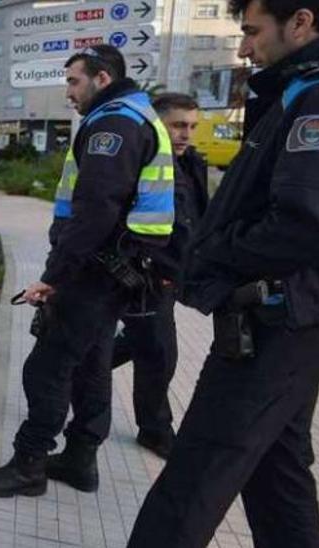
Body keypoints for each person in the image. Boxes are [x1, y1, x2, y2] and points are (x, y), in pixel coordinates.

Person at [127, 0, 319, 544]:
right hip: (299, 309)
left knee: (197, 471)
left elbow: (308, 224)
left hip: (283, 315)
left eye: (253, 32)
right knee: (277, 470)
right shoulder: (318, 86)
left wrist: (214, 252)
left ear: (300, 22)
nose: (244, 48)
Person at [0, 45, 177, 497]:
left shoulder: (114, 124)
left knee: (46, 368)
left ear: (102, 79)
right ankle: (81, 460)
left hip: (93, 270)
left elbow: (95, 211)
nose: (68, 91)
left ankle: (30, 464)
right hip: (114, 268)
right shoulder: (136, 116)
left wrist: (54, 276)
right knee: (92, 365)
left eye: (73, 80)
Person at [109, 93, 210, 459]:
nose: (186, 134)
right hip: (146, 275)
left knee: (145, 345)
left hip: (170, 275)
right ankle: (154, 430)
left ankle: (75, 367)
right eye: (178, 125)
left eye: (192, 127)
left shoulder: (190, 163)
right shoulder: (143, 161)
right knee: (159, 353)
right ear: (159, 124)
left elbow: (195, 220)